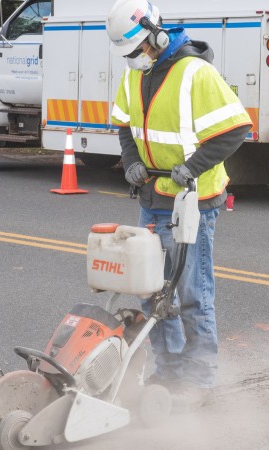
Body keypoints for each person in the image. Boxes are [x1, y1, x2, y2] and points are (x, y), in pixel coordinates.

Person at [106, 0, 251, 411]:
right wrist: (132, 162)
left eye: (139, 50)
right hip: (152, 198)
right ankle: (167, 374)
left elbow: (236, 128)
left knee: (191, 294)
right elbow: (124, 126)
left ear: (157, 33)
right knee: (152, 293)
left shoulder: (195, 72)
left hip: (193, 202)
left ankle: (199, 380)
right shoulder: (135, 75)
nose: (136, 59)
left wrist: (191, 168)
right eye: (129, 54)